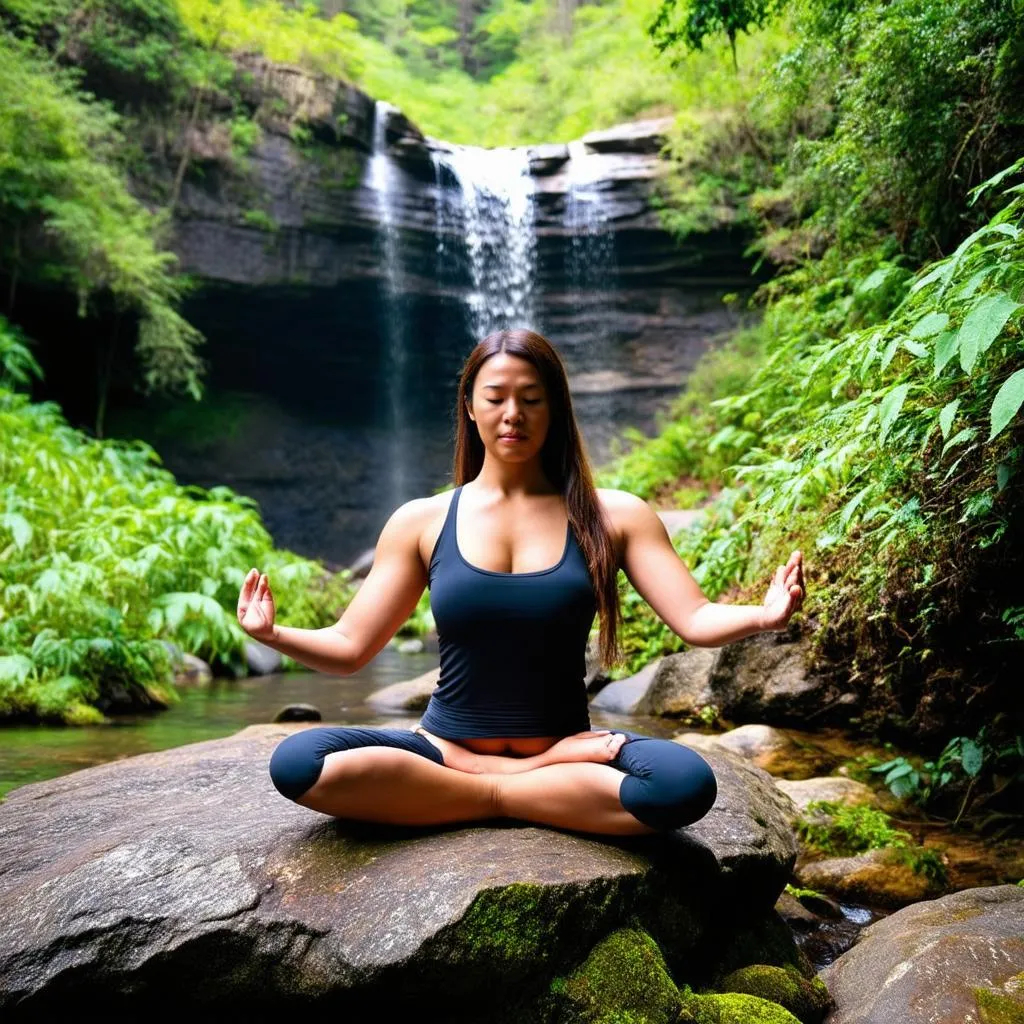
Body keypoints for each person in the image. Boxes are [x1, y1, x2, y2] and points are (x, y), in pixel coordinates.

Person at [238, 329, 805, 837]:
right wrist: (274, 633)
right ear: (470, 407)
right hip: (464, 753)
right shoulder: (422, 520)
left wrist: (763, 614)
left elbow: (696, 618)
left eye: (532, 399)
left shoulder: (615, 516)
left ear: (555, 409)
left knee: (684, 784)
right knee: (298, 762)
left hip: (560, 750)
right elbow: (348, 648)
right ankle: (514, 788)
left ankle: (465, 799)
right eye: (496, 397)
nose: (514, 414)